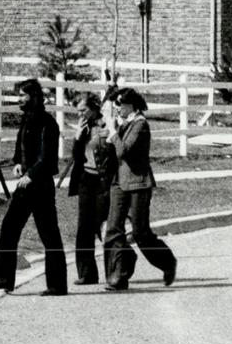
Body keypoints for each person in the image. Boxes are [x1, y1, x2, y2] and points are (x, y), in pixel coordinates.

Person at [0, 78, 68, 295]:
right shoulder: (27, 120)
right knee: (10, 227)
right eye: (18, 95)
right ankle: (3, 277)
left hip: (40, 186)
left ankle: (57, 285)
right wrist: (18, 163)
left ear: (34, 97)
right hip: (26, 183)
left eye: (23, 95)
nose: (19, 99)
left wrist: (31, 174)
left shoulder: (48, 123)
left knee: (49, 235)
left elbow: (47, 157)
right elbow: (21, 148)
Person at [102, 87, 177, 290]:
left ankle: (167, 262)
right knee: (113, 230)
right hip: (119, 182)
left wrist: (112, 131)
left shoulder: (140, 125)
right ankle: (118, 275)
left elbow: (124, 151)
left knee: (140, 232)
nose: (117, 108)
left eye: (120, 104)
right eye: (116, 104)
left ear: (131, 105)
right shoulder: (124, 124)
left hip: (138, 183)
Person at [66, 92, 115, 286]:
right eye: (78, 111)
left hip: (104, 181)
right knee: (84, 228)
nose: (81, 115)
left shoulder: (107, 124)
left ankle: (115, 271)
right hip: (86, 180)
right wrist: (78, 137)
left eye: (84, 110)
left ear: (94, 107)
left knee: (104, 226)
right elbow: (77, 157)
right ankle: (87, 273)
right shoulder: (83, 128)